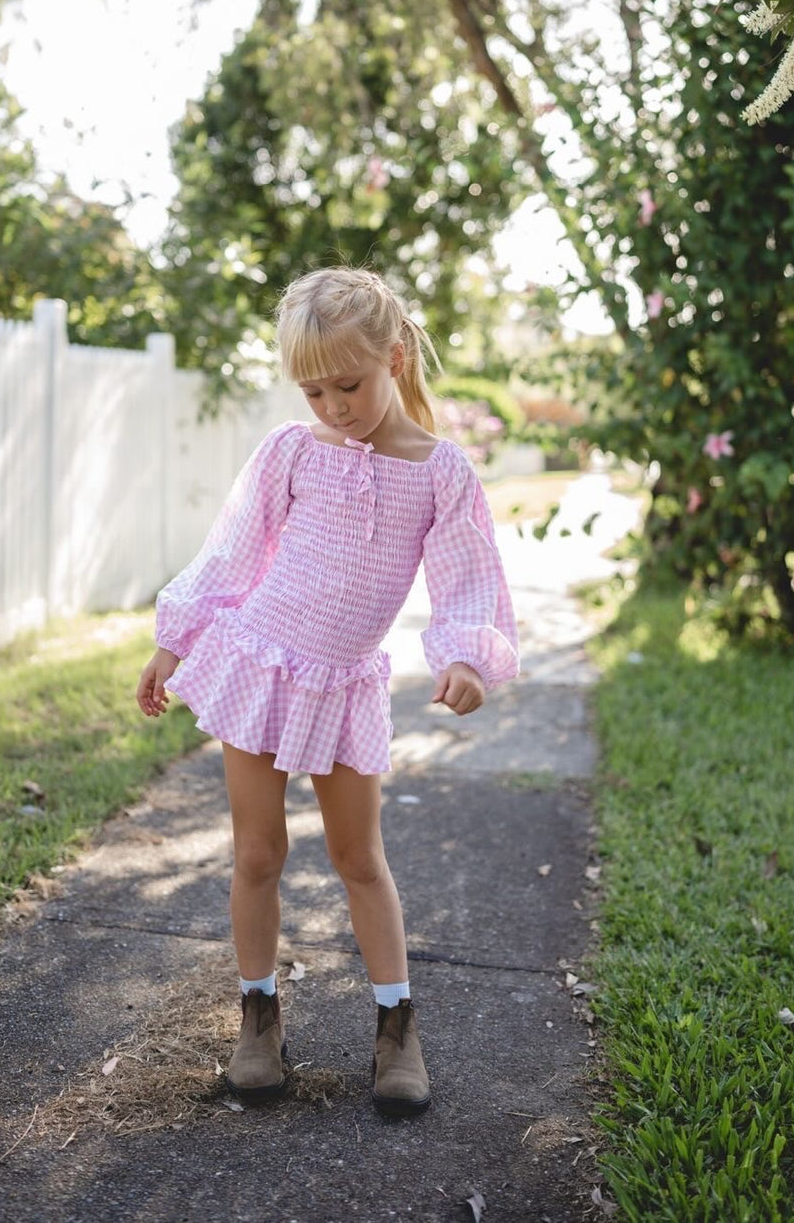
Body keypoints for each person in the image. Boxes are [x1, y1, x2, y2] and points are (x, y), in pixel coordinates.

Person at [135, 266, 518, 1116]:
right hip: (259, 667)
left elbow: (466, 583)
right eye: (314, 391)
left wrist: (465, 660)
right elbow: (232, 551)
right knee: (258, 854)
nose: (335, 406)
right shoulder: (289, 451)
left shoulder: (440, 472)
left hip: (344, 689)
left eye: (349, 384)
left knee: (358, 860)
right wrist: (173, 643)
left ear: (394, 354)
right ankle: (259, 1020)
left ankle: (396, 1028)